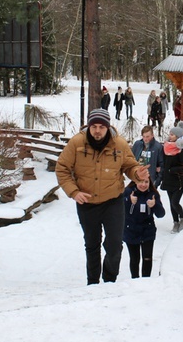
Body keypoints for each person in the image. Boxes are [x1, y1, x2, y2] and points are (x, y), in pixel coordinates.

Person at [55, 108, 149, 285]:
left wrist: (138, 174)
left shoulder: (119, 144)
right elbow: (62, 169)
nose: (97, 130)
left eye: (101, 127)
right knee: (92, 245)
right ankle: (92, 283)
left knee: (114, 246)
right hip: (86, 203)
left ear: (108, 127)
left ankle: (109, 282)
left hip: (112, 202)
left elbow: (129, 167)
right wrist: (74, 192)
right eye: (94, 126)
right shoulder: (76, 143)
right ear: (89, 126)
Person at [123, 178, 166, 278]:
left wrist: (155, 205)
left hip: (147, 230)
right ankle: (135, 279)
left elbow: (161, 214)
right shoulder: (128, 192)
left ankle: (146, 281)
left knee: (147, 258)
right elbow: (118, 208)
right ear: (135, 182)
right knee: (134, 258)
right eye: (140, 182)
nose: (143, 185)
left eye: (146, 182)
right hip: (131, 230)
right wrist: (128, 200)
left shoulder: (153, 194)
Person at [161, 120, 183, 233]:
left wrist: (172, 170)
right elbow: (163, 161)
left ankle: (182, 217)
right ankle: (175, 222)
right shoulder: (166, 147)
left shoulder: (181, 150)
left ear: (178, 136)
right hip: (168, 180)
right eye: (170, 134)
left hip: (178, 180)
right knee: (170, 203)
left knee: (175, 202)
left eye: (172, 134)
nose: (170, 136)